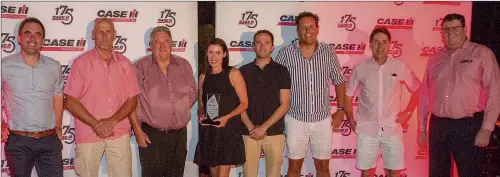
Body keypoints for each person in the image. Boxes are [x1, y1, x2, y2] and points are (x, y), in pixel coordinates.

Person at [418, 13, 500, 177]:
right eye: (446, 29)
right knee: (437, 173)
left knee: (469, 173)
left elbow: (495, 92)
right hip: (438, 125)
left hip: (468, 125)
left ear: (464, 29)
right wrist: (421, 129)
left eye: (455, 27)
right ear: (442, 32)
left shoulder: (482, 54)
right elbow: (424, 95)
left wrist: (487, 128)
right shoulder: (435, 58)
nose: (450, 32)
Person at [64, 18, 140, 177]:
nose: (104, 35)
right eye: (100, 31)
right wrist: (96, 124)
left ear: (114, 35)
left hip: (118, 131)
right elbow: (70, 101)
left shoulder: (125, 64)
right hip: (88, 133)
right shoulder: (80, 63)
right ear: (93, 35)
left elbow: (132, 99)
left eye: (108, 31)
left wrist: (112, 121)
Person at [275, 11, 347, 177]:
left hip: (322, 120)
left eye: (311, 27)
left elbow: (339, 80)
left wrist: (341, 110)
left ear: (317, 29)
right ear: (297, 31)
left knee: (323, 169)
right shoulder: (285, 54)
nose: (307, 30)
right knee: (293, 169)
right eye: (303, 27)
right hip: (295, 119)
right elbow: (274, 84)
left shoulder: (328, 52)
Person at [345, 27, 420, 177]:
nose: (381, 46)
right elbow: (347, 95)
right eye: (377, 42)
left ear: (390, 44)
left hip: (392, 128)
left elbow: (418, 90)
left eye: (384, 42)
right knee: (366, 173)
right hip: (366, 129)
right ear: (370, 44)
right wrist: (350, 119)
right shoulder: (360, 68)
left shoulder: (399, 66)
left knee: (393, 172)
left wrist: (408, 112)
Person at [1, 17, 64, 177]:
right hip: (19, 141)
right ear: (19, 38)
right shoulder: (4, 66)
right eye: (27, 33)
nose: (32, 38)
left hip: (49, 140)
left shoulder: (54, 66)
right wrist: (1, 123)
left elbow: (58, 95)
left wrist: (58, 126)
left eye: (37, 34)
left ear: (42, 40)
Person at [131, 26, 197, 177]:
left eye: (166, 41)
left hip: (179, 136)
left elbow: (193, 94)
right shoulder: (140, 67)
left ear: (172, 43)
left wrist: (178, 110)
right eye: (157, 42)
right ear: (151, 45)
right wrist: (138, 131)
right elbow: (130, 102)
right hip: (152, 136)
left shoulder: (184, 65)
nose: (162, 46)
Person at [194, 38, 248, 177]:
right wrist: (201, 114)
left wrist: (227, 117)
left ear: (224, 54)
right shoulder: (203, 76)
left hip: (228, 130)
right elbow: (200, 103)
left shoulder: (233, 73)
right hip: (210, 131)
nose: (214, 57)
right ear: (206, 53)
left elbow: (244, 103)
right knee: (214, 173)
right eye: (211, 52)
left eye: (218, 53)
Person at [240, 30, 291, 177]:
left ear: (273, 47)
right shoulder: (242, 71)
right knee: (248, 174)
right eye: (258, 43)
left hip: (274, 132)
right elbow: (239, 104)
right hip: (248, 133)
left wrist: (263, 128)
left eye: (267, 43)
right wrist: (251, 127)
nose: (262, 47)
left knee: (274, 174)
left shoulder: (282, 71)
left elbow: (285, 104)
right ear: (253, 47)